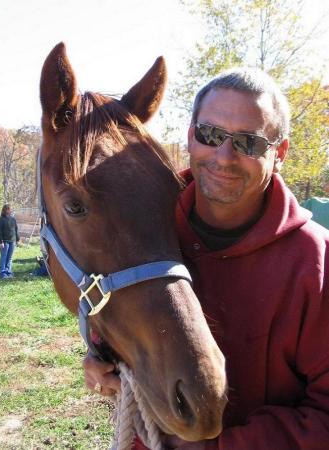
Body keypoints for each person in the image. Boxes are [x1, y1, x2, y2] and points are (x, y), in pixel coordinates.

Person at [83, 68, 329, 449]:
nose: (224, 157)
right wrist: (99, 354)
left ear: (278, 153)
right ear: (190, 137)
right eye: (210, 135)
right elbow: (120, 313)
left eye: (249, 143)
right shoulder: (148, 227)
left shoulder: (316, 263)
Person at [0, 204, 20, 279]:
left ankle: (9, 272)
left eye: (10, 209)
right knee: (4, 257)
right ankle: (3, 274)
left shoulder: (13, 219)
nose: (9, 210)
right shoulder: (1, 220)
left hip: (12, 241)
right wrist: (1, 242)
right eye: (8, 209)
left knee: (10, 258)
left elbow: (16, 229)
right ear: (4, 210)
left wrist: (17, 239)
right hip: (5, 242)